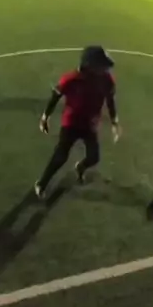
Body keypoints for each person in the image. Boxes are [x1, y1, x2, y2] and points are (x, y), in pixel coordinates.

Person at [34, 45, 121, 198]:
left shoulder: (107, 80)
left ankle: (81, 167)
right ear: (90, 66)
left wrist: (114, 121)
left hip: (90, 124)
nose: (105, 69)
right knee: (61, 156)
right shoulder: (71, 79)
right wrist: (45, 117)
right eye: (101, 66)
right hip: (71, 123)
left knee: (94, 157)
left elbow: (110, 100)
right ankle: (42, 183)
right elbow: (55, 96)